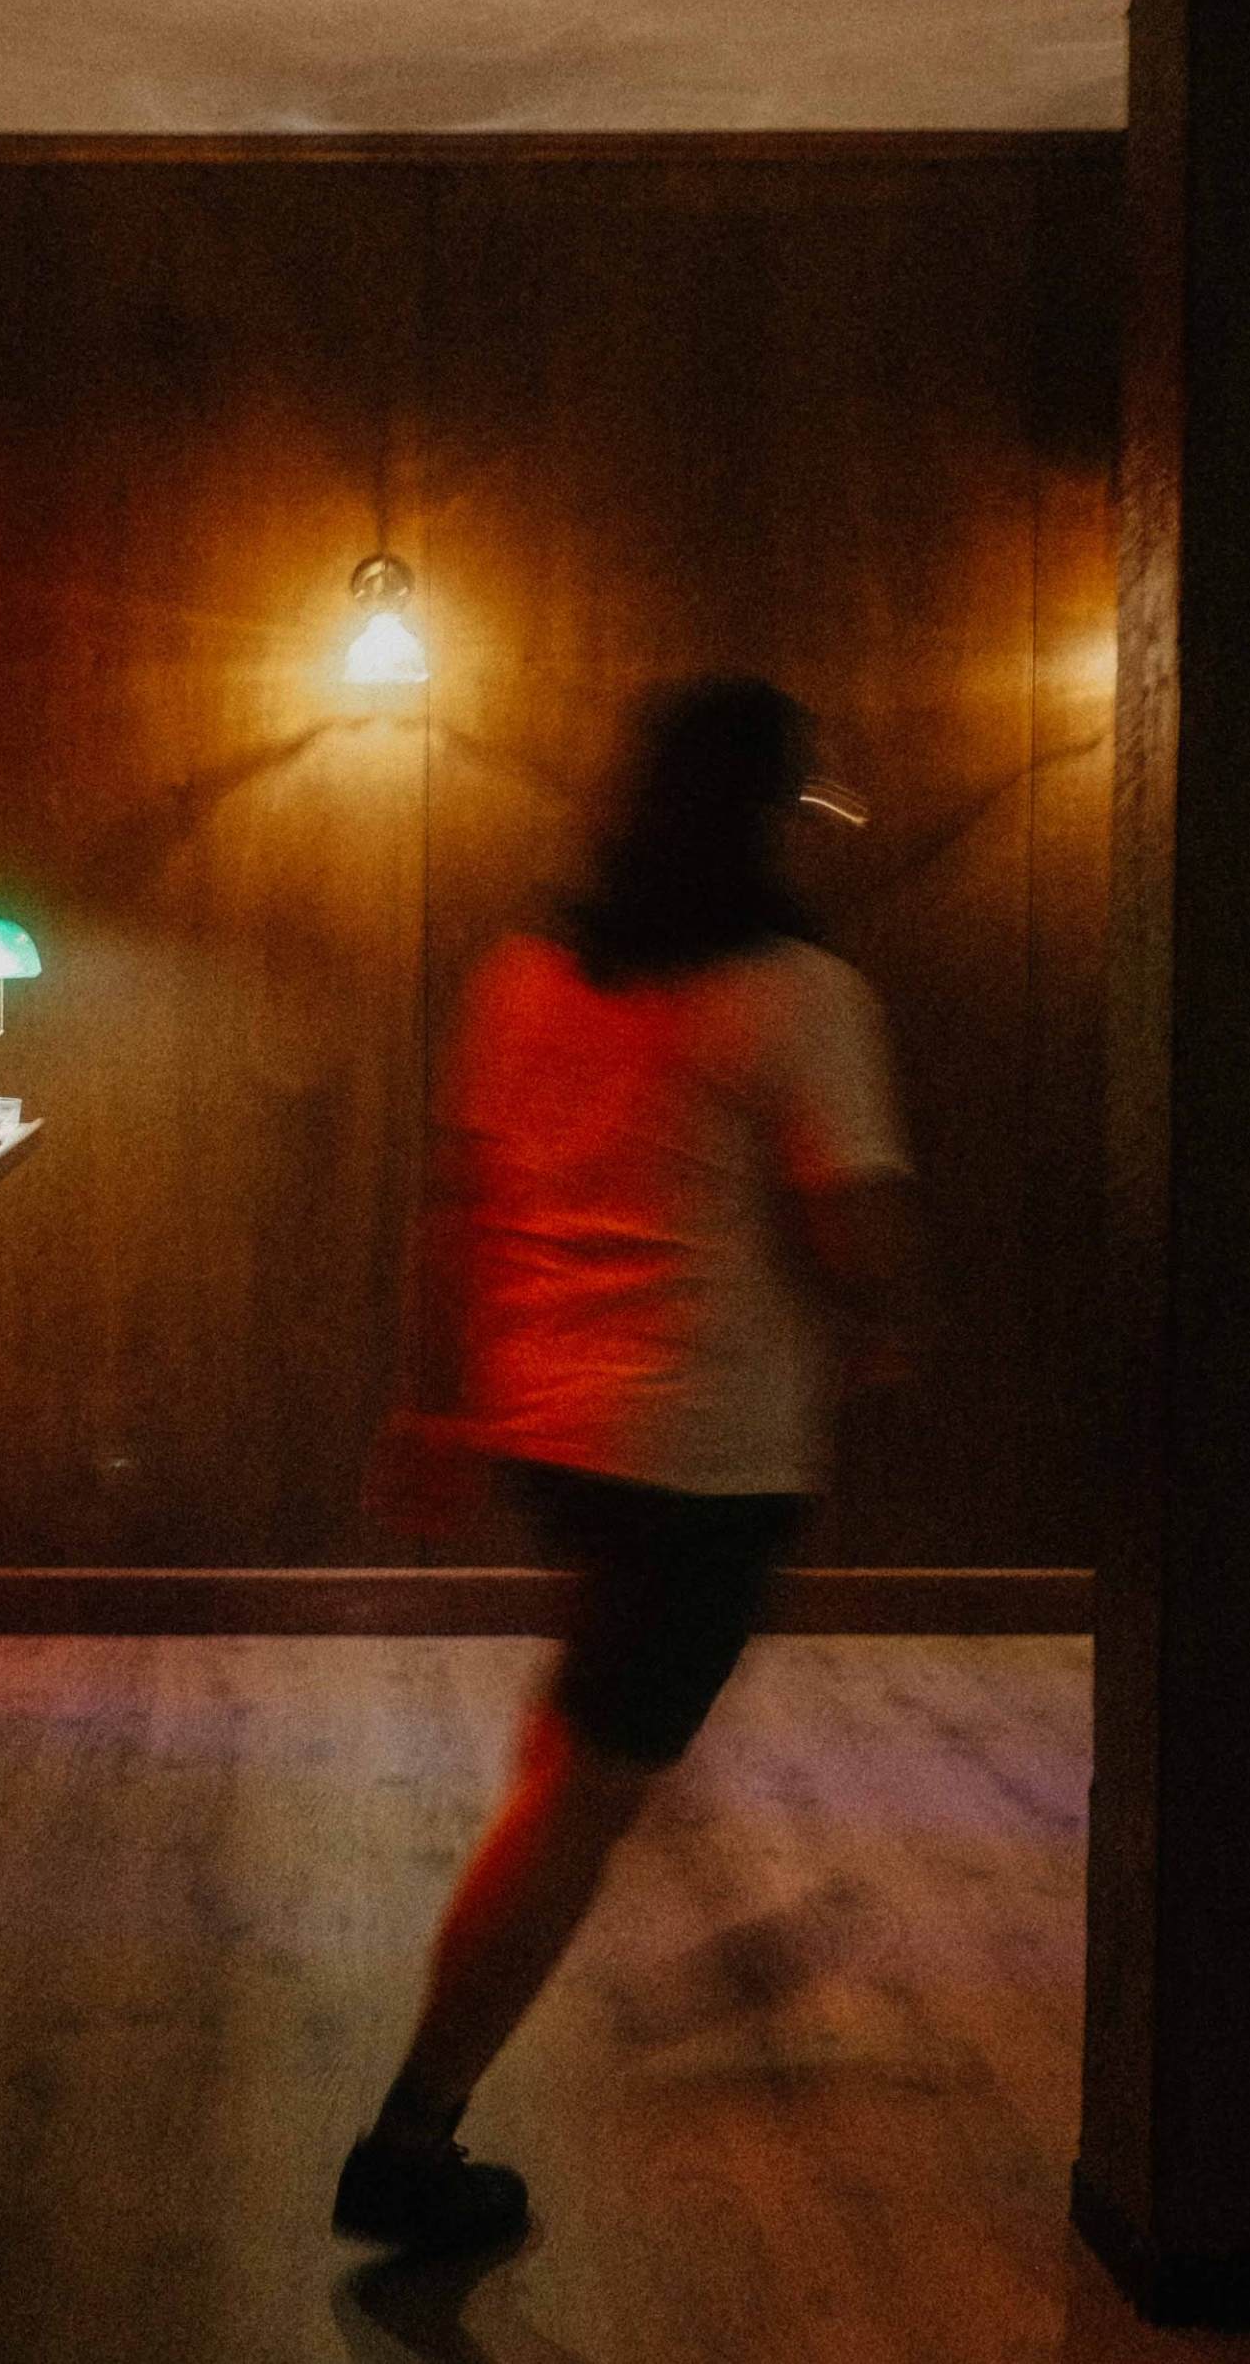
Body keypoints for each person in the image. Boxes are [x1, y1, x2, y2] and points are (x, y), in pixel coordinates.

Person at [334, 673, 920, 2257]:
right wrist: (876, 1308)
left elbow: (456, 1205)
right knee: (586, 1782)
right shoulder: (802, 995)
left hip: (554, 1429)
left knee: (614, 1720)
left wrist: (432, 1408)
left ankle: (679, 1876)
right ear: (771, 817)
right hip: (702, 1455)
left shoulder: (528, 973)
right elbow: (853, 1228)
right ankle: (411, 2139)